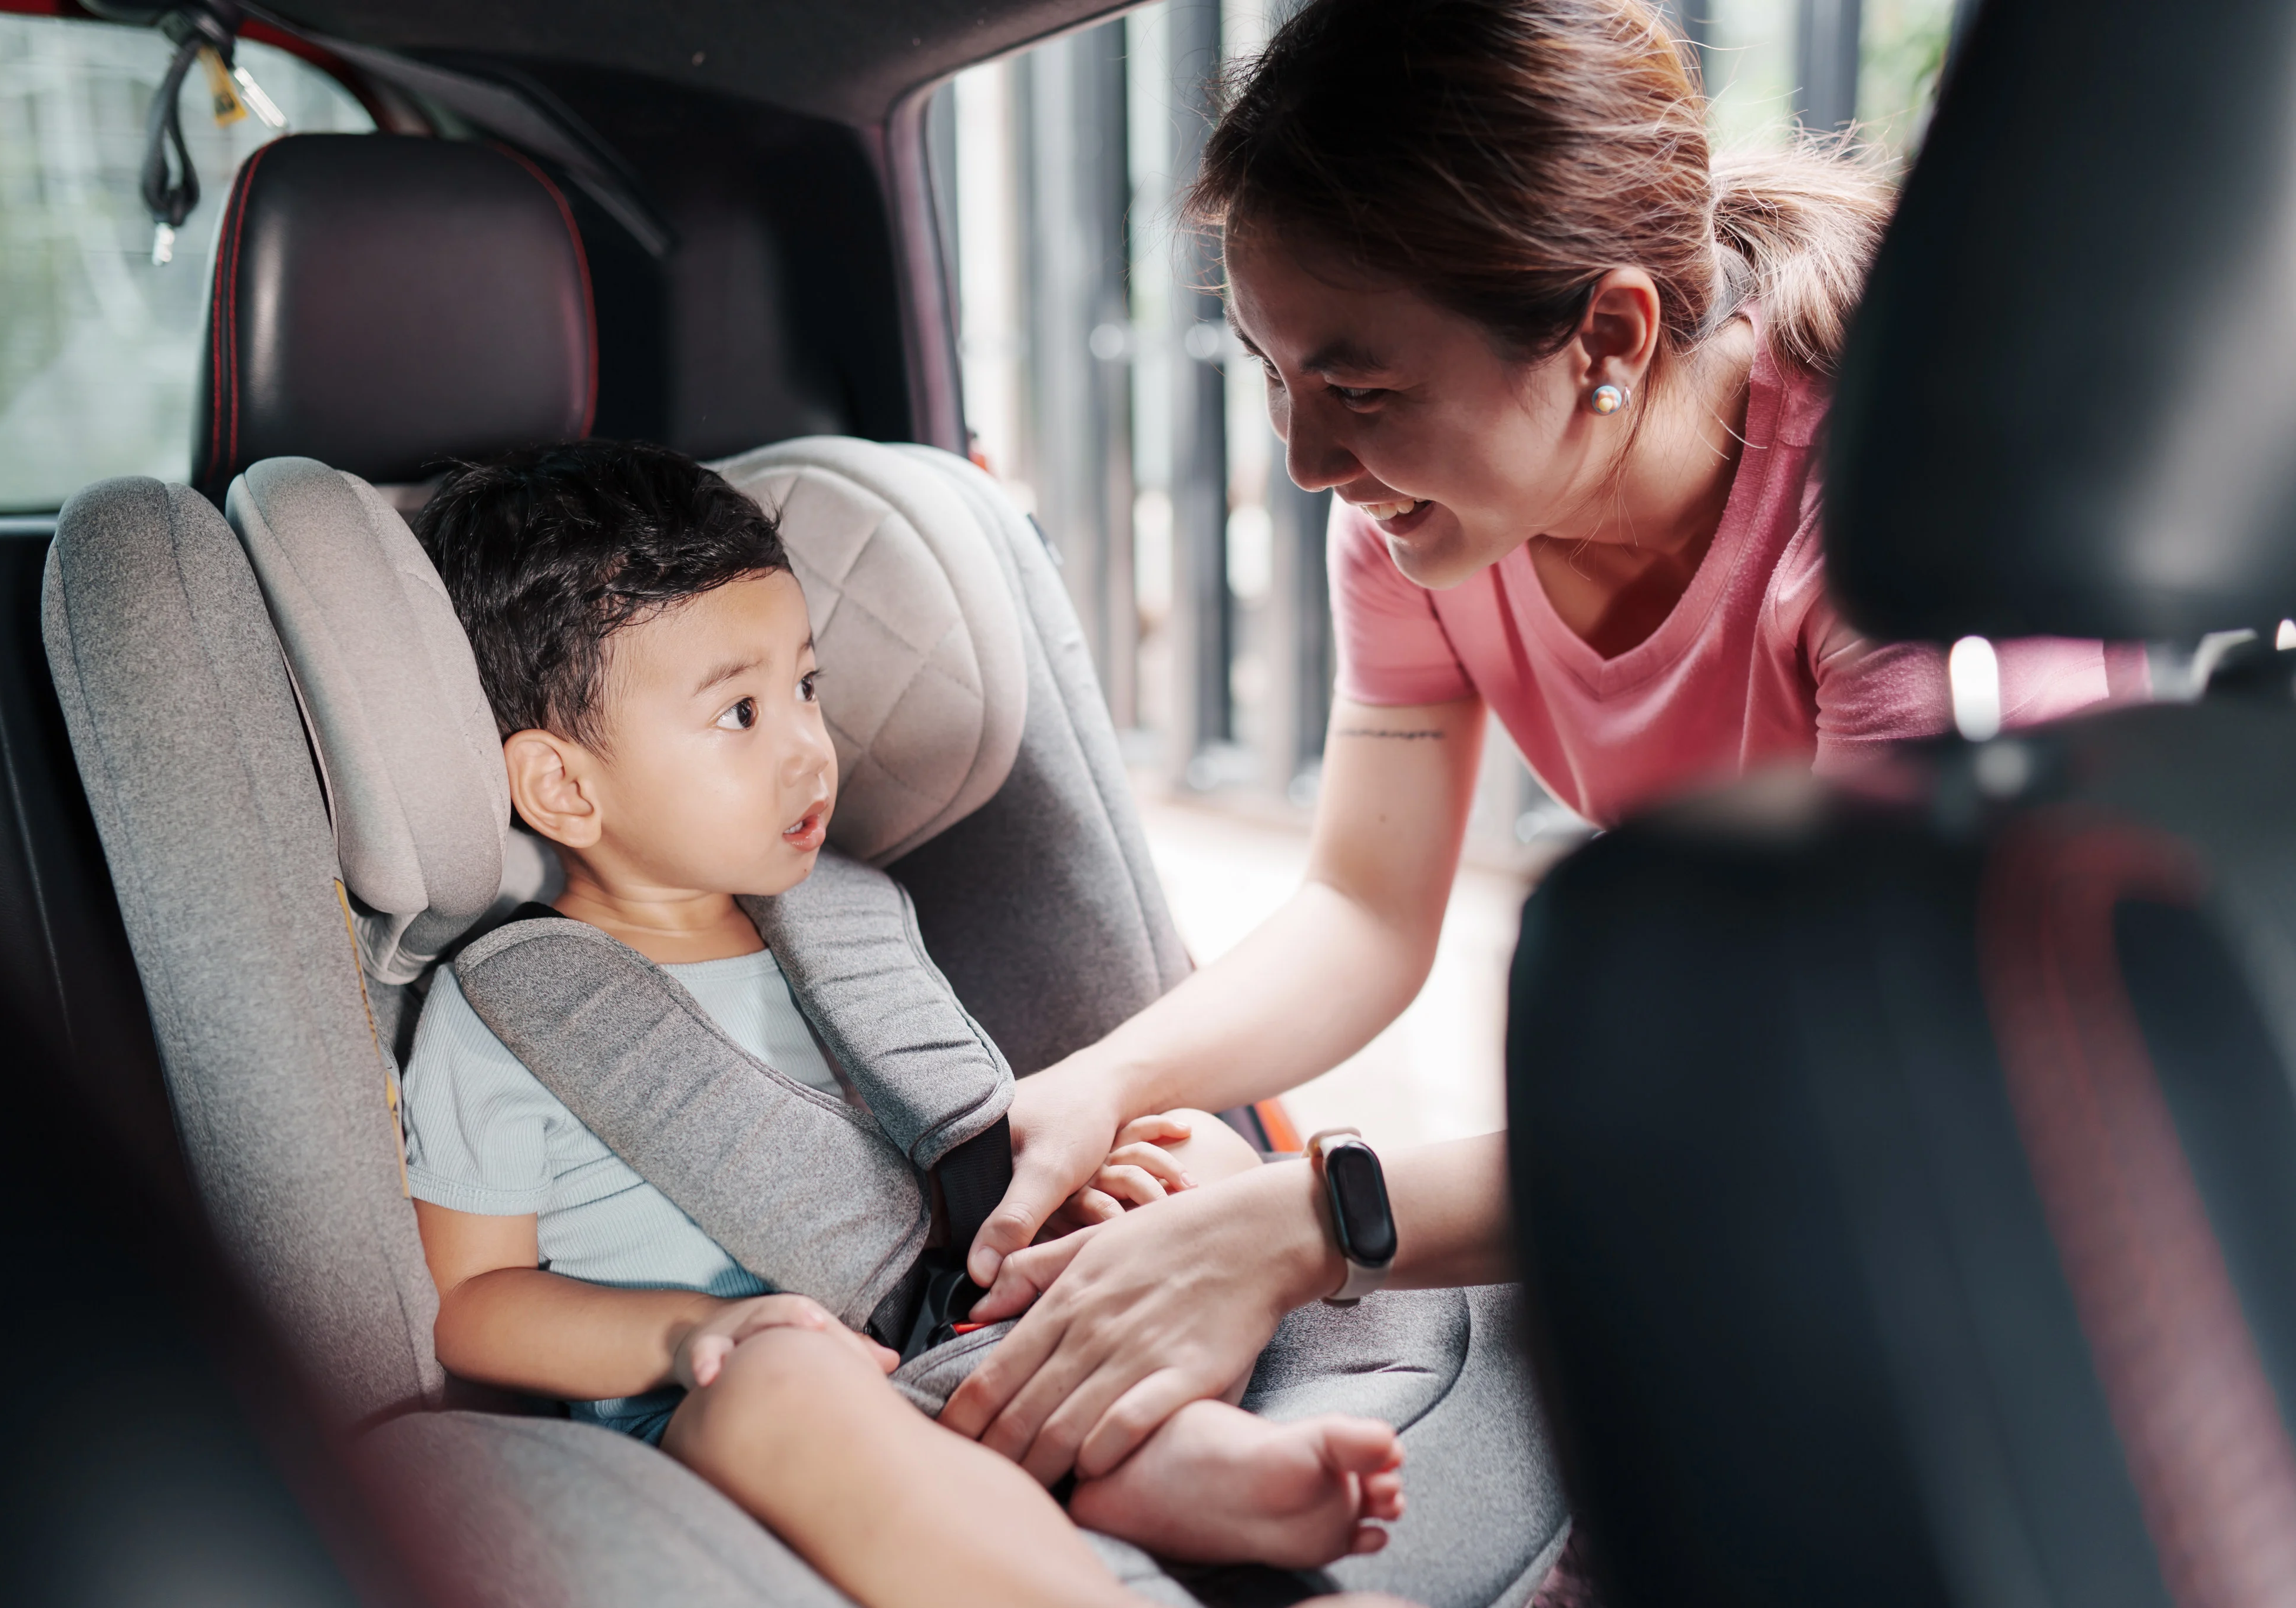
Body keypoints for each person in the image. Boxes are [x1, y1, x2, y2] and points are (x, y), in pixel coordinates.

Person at [940, 0, 2142, 1485]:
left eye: (1360, 388)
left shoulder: (1897, 532)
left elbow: (1873, 1081)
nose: (1306, 461)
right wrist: (1104, 1085)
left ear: (1609, 337)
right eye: (1271, 370)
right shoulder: (1423, 522)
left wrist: (1312, 1219)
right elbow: (1363, 908)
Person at [395, 439, 1410, 1608]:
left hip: (959, 1323)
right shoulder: (509, 1015)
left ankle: (1176, 1461)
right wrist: (687, 1335)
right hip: (736, 1406)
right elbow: (473, 1302)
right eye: (739, 712)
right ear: (566, 787)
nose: (807, 746)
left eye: (806, 688)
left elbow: (929, 1152)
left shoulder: (845, 922)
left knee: (1196, 1161)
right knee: (781, 1384)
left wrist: (1058, 1190)